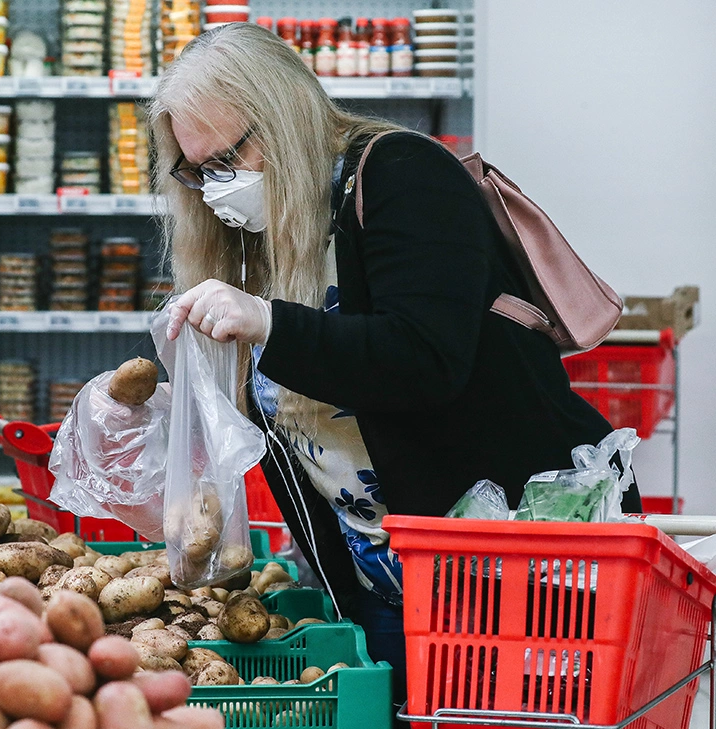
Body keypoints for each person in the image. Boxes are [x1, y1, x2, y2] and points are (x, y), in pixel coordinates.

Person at [151, 23, 640, 709]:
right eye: (197, 171)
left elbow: (425, 358)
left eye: (228, 159)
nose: (214, 189)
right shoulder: (256, 242)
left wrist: (268, 321)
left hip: (515, 578)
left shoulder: (402, 175)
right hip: (383, 582)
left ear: (286, 118)